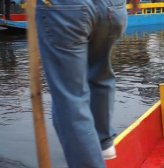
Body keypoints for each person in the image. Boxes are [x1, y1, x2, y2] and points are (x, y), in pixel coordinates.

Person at [35, 0, 137, 167]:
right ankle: (103, 142)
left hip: (68, 8)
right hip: (112, 7)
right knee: (100, 74)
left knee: (70, 96)